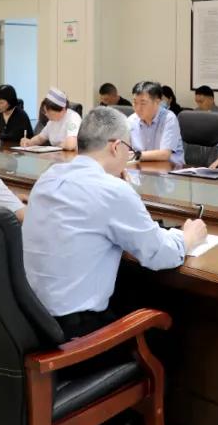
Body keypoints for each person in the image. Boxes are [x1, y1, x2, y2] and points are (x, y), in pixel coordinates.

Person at [22, 106, 207, 336]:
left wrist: (123, 194)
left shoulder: (49, 176)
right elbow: (159, 254)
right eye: (129, 150)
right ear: (116, 146)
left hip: (32, 321)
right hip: (75, 333)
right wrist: (187, 238)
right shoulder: (112, 190)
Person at [127, 81, 184, 163]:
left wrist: (136, 156)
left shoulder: (169, 118)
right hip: (141, 168)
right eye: (135, 102)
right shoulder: (131, 120)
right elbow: (123, 149)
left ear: (157, 102)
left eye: (143, 103)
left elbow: (165, 154)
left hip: (171, 168)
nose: (137, 108)